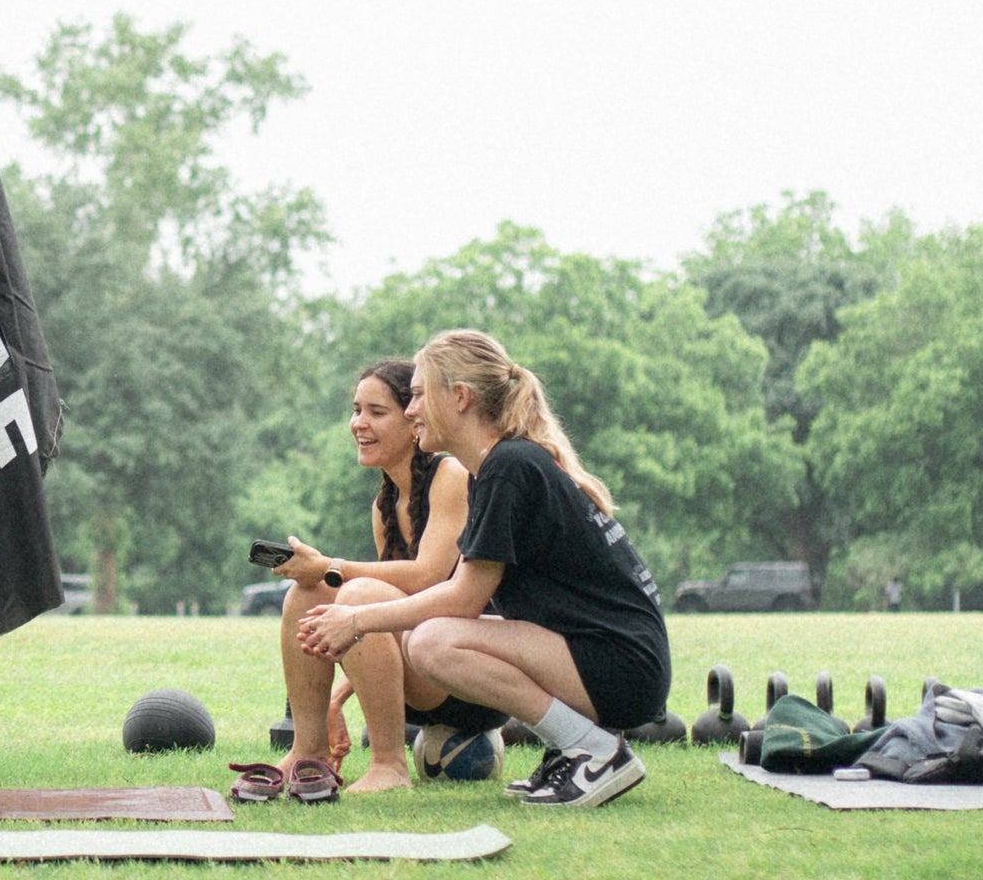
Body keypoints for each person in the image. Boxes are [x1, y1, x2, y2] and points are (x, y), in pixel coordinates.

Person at [292, 329, 671, 808]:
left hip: (620, 668)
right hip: (612, 661)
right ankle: (571, 747)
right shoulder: (506, 464)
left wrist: (355, 620)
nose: (411, 411)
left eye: (418, 396)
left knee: (433, 641)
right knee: (429, 636)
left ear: (460, 398)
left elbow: (463, 599)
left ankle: (596, 752)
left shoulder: (509, 467)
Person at [238, 360, 475, 801]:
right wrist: (336, 698)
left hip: (465, 674)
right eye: (356, 410)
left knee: (358, 594)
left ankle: (389, 765)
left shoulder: (451, 477)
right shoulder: (385, 504)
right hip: (420, 660)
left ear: (413, 421)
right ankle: (308, 751)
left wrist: (332, 564)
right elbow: (390, 620)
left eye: (376, 412)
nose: (358, 424)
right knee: (307, 592)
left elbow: (429, 577)